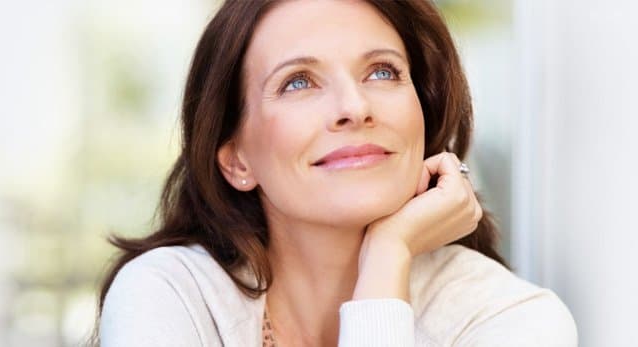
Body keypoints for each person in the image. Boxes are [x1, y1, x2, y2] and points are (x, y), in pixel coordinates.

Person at [91, 0, 578, 346]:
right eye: (298, 82)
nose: (355, 106)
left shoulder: (510, 320)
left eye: (382, 72)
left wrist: (389, 256)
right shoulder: (170, 294)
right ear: (237, 159)